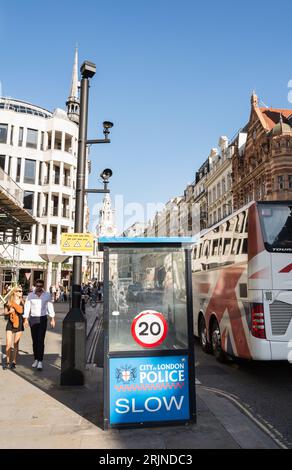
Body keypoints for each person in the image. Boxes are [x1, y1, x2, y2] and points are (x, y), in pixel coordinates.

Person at [23, 279, 55, 371]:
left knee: (41, 340)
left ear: (43, 286)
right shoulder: (30, 295)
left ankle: (40, 361)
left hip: (43, 318)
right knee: (35, 340)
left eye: (40, 286)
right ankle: (36, 359)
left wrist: (52, 319)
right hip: (33, 319)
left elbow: (50, 307)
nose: (39, 287)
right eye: (37, 286)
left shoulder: (47, 295)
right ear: (35, 285)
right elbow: (27, 307)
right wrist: (25, 319)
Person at [3, 285, 24, 370]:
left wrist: (14, 306)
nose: (21, 292)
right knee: (8, 344)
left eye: (21, 291)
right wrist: (9, 312)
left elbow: (21, 311)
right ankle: (8, 362)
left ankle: (14, 362)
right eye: (19, 291)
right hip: (10, 323)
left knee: (15, 344)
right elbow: (5, 312)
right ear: (14, 292)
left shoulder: (22, 301)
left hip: (19, 323)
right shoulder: (9, 301)